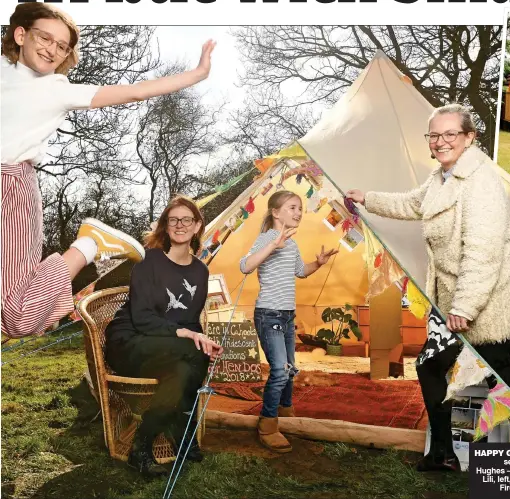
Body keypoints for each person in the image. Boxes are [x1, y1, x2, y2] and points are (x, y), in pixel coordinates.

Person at [346, 104, 510, 472]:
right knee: (433, 367)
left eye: (450, 134)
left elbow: (483, 252)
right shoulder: (441, 178)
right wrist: (367, 198)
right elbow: (411, 203)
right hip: (454, 301)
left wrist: (464, 307)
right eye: (434, 135)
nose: (440, 142)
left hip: (489, 303)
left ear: (469, 137)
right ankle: (445, 453)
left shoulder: (480, 182)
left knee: (508, 389)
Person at [1, 4, 216, 339]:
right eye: (46, 37)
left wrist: (197, 74)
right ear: (20, 34)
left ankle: (90, 244)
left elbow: (135, 91)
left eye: (62, 46)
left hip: (12, 188)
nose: (52, 49)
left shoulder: (58, 89)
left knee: (17, 319)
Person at [105, 195, 224, 477]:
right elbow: (143, 318)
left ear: (197, 226)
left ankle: (141, 446)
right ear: (166, 226)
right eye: (173, 220)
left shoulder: (200, 271)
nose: (179, 225)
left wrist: (199, 339)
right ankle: (184, 431)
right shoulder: (150, 262)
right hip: (130, 343)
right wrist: (186, 334)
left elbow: (190, 320)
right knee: (192, 350)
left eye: (186, 219)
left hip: (168, 348)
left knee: (184, 368)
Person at [240, 191, 338, 453]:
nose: (298, 212)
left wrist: (317, 263)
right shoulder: (267, 238)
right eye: (293, 207)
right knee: (280, 370)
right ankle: (268, 425)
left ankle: (285, 410)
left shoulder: (292, 244)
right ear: (275, 212)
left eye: (300, 209)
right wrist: (274, 244)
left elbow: (299, 272)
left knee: (291, 368)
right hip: (269, 314)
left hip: (286, 315)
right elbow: (245, 266)